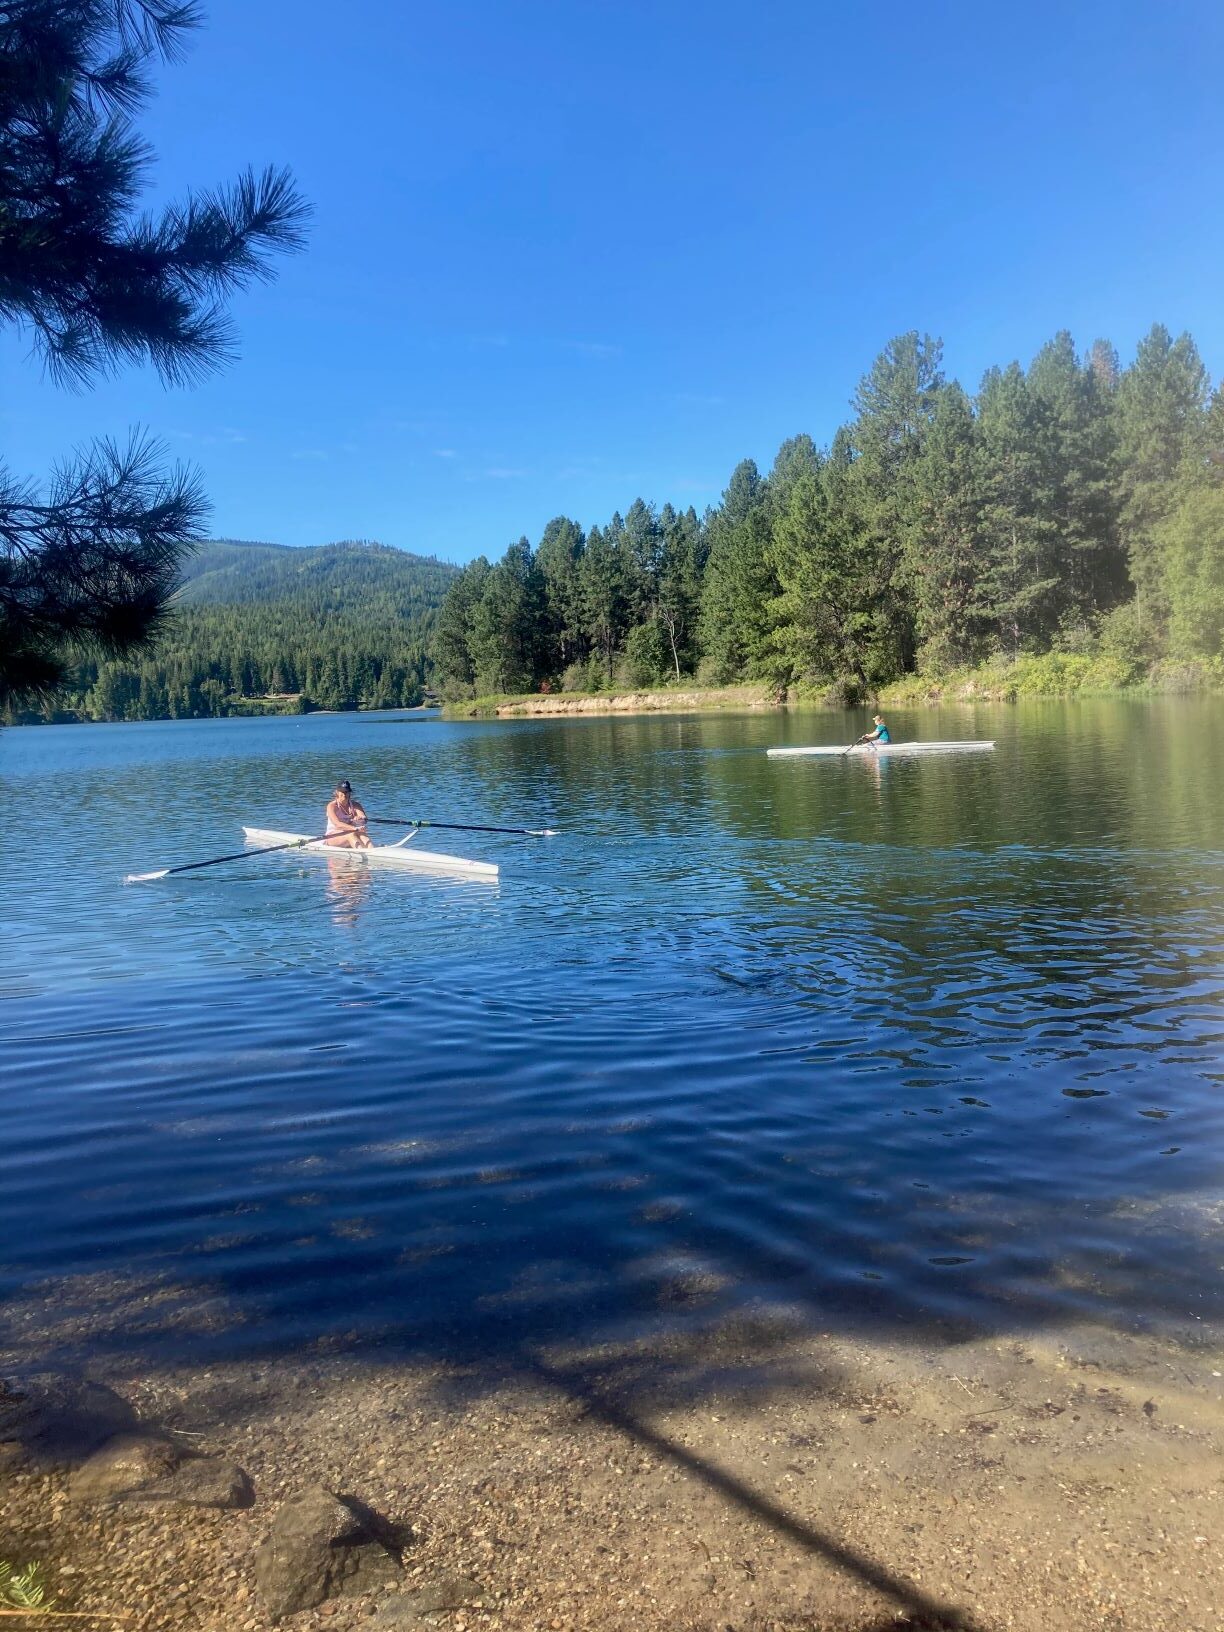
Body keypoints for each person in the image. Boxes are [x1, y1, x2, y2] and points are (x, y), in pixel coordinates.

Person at [325, 780, 372, 848]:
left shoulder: (356, 805)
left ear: (350, 793)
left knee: (362, 834)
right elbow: (337, 824)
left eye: (346, 792)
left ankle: (371, 850)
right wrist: (354, 828)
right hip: (332, 836)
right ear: (337, 792)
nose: (344, 794)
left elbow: (363, 818)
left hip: (350, 832)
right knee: (351, 834)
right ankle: (362, 853)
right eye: (342, 792)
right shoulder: (331, 806)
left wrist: (360, 818)